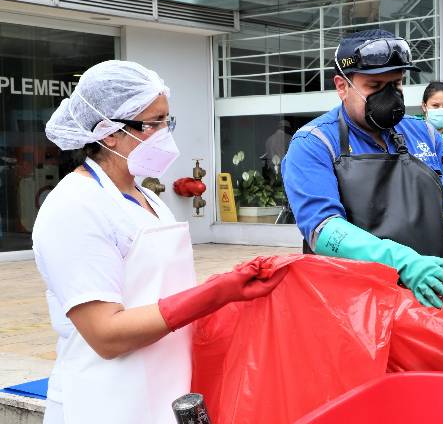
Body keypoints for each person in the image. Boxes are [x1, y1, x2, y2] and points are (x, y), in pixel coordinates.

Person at [33, 60, 284, 424]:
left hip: (167, 393)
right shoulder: (74, 207)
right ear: (108, 133)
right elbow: (107, 334)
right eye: (154, 123)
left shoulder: (146, 198)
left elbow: (159, 292)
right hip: (106, 404)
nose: (166, 133)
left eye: (169, 121)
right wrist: (215, 293)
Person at [281, 29, 443, 309]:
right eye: (375, 87)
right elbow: (323, 229)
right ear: (342, 86)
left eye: (396, 85)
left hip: (435, 294)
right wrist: (404, 262)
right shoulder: (314, 143)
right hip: (355, 308)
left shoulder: (425, 134)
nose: (389, 96)